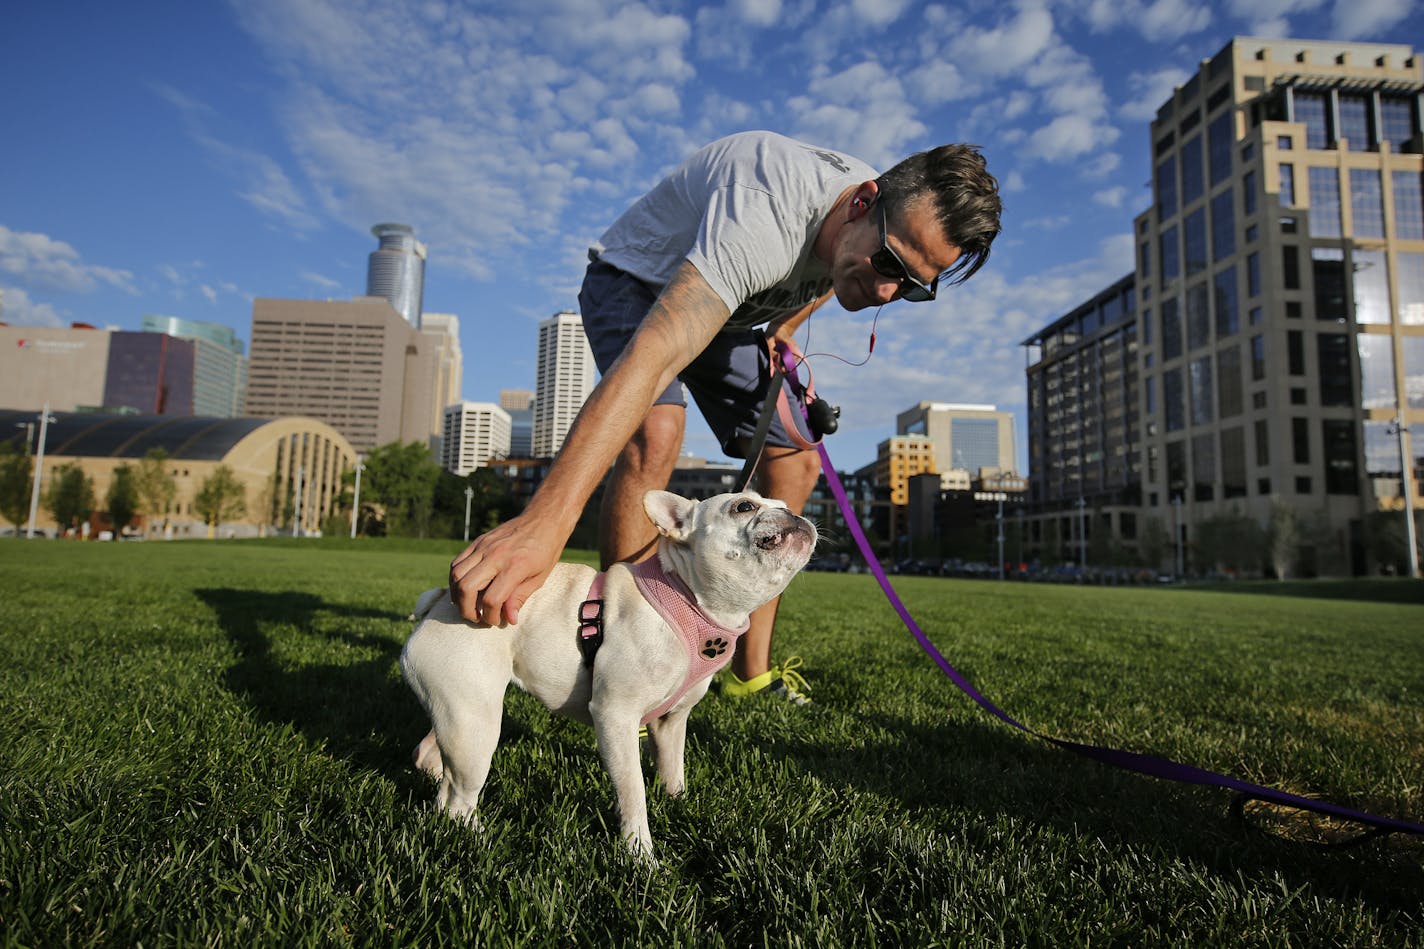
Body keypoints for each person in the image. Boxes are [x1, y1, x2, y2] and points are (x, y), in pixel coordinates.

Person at [450, 130, 1002, 704]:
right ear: (860, 203)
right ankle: (624, 660)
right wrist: (544, 523)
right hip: (636, 281)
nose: (887, 291)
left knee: (796, 454)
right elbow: (656, 351)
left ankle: (748, 673)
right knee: (657, 433)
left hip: (734, 317)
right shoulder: (767, 211)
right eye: (889, 263)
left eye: (914, 287)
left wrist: (782, 326)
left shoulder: (869, 218)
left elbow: (839, 273)